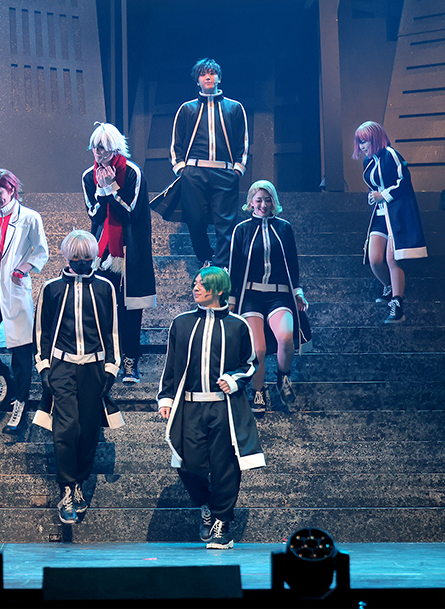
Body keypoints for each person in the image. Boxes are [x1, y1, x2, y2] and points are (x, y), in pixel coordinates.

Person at [158, 267, 264, 549]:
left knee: (225, 467)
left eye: (202, 284)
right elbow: (171, 365)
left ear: (218, 290)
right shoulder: (181, 323)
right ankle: (207, 505)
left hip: (224, 408)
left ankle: (222, 523)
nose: (196, 288)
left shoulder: (238, 325)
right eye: (195, 283)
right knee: (187, 462)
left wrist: (234, 379)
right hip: (190, 406)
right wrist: (165, 398)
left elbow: (249, 363)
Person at [34, 230, 120, 524]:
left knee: (88, 430)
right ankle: (67, 488)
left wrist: (111, 368)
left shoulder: (105, 287)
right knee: (66, 428)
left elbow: (112, 330)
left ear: (94, 257)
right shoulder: (51, 288)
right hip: (62, 366)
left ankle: (79, 482)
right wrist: (44, 367)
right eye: (76, 258)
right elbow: (41, 331)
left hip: (95, 368)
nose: (82, 263)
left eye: (87, 258)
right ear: (66, 257)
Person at [0, 169, 49, 433]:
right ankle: (4, 380)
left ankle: (20, 406)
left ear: (12, 190)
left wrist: (22, 270)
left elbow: (41, 251)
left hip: (15, 290)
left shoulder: (30, 218)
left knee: (21, 350)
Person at [81, 122, 156, 384]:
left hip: (130, 249)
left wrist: (112, 188)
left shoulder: (133, 172)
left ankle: (130, 360)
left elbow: (131, 213)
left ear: (114, 149)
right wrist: (103, 190)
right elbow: (94, 214)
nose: (98, 152)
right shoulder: (88, 176)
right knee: (102, 307)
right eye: (95, 147)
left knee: (130, 308)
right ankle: (107, 358)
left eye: (103, 148)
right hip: (102, 252)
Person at [228, 181, 310, 414]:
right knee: (259, 349)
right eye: (259, 200)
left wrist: (298, 291)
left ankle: (283, 377)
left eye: (267, 200)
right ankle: (259, 392)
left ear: (274, 201)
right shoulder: (241, 229)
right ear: (251, 202)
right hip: (251, 296)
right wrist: (231, 300)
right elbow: (234, 266)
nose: (263, 205)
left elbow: (292, 262)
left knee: (286, 337)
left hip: (279, 294)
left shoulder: (284, 227)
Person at [170, 58, 249, 269]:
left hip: (225, 172)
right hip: (194, 172)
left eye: (212, 73)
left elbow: (243, 141)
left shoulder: (234, 107)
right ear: (197, 80)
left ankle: (222, 264)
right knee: (195, 220)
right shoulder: (187, 109)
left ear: (219, 78)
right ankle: (205, 257)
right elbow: (176, 142)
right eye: (203, 74)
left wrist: (238, 169)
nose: (208, 77)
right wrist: (181, 169)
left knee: (226, 223)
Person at [354, 121, 428, 323]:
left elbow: (404, 180)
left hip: (397, 213)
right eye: (360, 142)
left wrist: (384, 195)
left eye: (365, 141)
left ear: (375, 139)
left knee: (391, 258)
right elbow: (375, 185)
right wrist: (374, 196)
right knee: (374, 258)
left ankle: (397, 304)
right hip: (380, 215)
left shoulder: (391, 154)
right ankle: (389, 287)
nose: (362, 146)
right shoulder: (368, 161)